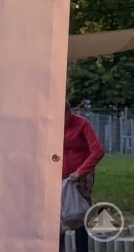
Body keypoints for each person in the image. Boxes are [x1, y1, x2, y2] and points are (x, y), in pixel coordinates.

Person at [59, 100, 105, 252]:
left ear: (68, 112)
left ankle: (82, 249)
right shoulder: (52, 126)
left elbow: (98, 151)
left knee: (80, 214)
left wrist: (81, 171)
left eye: (62, 116)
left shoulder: (82, 124)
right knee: (58, 218)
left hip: (80, 178)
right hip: (59, 177)